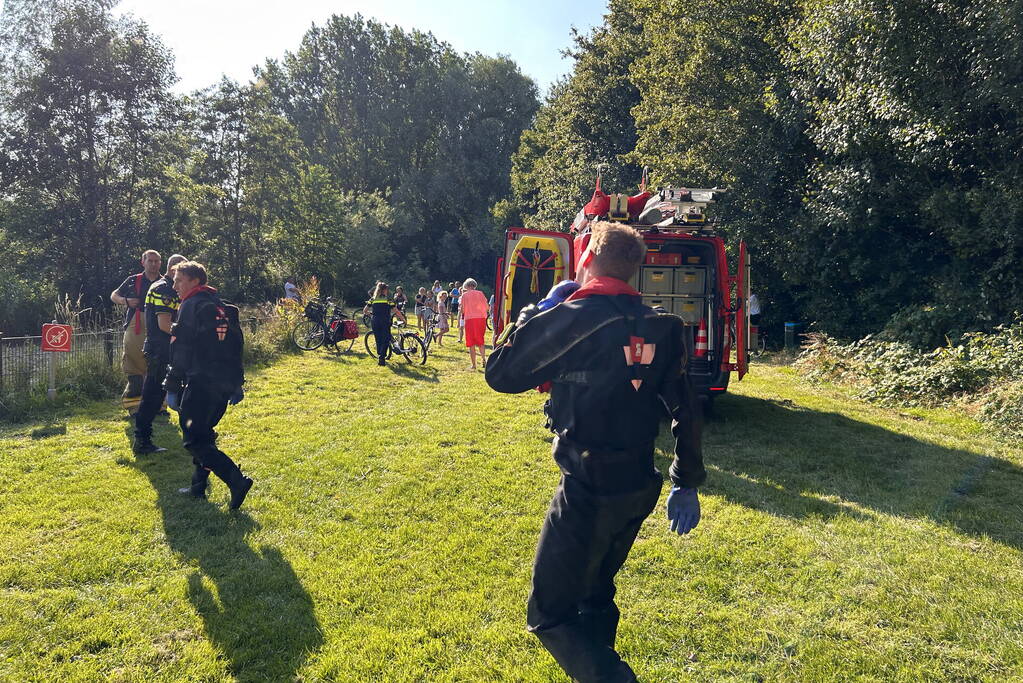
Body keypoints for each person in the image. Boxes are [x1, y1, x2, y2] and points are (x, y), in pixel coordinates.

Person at [484, 221, 705, 682]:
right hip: (638, 488)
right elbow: (687, 409)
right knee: (596, 592)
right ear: (635, 271)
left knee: (549, 613)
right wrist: (684, 482)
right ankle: (603, 667)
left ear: (585, 259)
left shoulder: (574, 316)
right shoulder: (663, 326)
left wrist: (533, 316)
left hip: (586, 490)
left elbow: (501, 374)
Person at [163, 261, 253, 510]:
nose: (174, 285)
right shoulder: (220, 305)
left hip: (201, 382)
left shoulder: (191, 305)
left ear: (194, 281)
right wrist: (236, 383)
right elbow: (235, 347)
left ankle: (236, 481)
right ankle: (197, 486)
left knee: (194, 440)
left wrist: (171, 385)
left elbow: (180, 349)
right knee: (203, 433)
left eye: (179, 280)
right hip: (222, 384)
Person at [132, 253, 188, 455]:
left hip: (167, 349)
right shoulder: (164, 289)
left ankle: (194, 431)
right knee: (153, 397)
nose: (181, 281)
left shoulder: (165, 287)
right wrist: (192, 332)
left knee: (181, 392)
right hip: (160, 351)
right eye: (182, 274)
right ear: (174, 270)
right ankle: (142, 440)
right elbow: (164, 325)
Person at [111, 250, 162, 415]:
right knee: (134, 364)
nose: (153, 264)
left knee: (159, 365)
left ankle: (160, 406)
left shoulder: (165, 282)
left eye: (156, 261)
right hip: (135, 325)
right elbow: (114, 295)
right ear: (143, 262)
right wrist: (125, 301)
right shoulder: (133, 280)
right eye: (150, 261)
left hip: (159, 325)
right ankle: (134, 407)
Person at [363, 282, 406, 366]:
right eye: (386, 289)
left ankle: (380, 356)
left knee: (378, 339)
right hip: (385, 321)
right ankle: (382, 357)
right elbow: (396, 311)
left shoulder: (373, 299)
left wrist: (371, 314)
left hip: (375, 321)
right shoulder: (388, 299)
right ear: (383, 290)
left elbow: (365, 310)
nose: (387, 291)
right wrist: (403, 318)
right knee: (386, 339)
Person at [459, 279, 489, 370]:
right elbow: (487, 307)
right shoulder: (480, 293)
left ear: (466, 286)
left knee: (471, 342)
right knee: (480, 340)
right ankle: (484, 359)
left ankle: (474, 365)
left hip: (470, 319)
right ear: (474, 285)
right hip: (481, 319)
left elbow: (463, 310)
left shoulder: (464, 295)